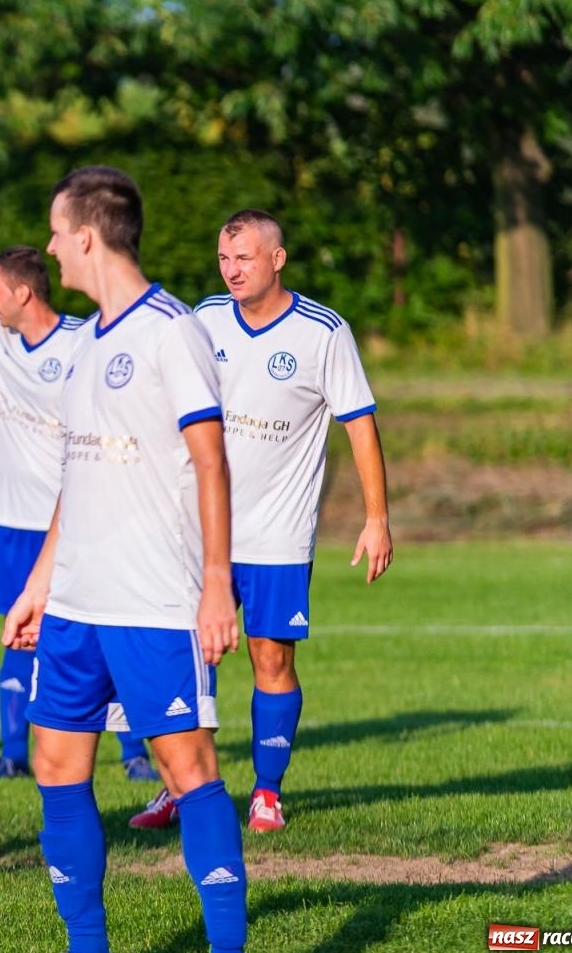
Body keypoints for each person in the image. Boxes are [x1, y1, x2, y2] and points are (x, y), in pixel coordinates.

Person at [4, 166, 248, 953]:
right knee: (54, 761)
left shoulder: (171, 331)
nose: (47, 247)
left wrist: (217, 585)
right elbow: (77, 475)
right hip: (77, 601)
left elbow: (211, 463)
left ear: (85, 235)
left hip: (153, 601)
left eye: (53, 230)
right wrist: (40, 584)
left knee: (187, 768)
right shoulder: (83, 343)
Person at [132, 209, 390, 835]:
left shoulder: (323, 332)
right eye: (224, 259)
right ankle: (183, 790)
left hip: (277, 534)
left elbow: (359, 425)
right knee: (187, 661)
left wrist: (377, 517)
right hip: (197, 532)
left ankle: (266, 792)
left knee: (269, 657)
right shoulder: (205, 320)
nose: (232, 270)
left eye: (244, 257)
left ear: (277, 259)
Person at [0, 249, 159, 784]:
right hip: (14, 520)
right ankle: (13, 754)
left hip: (83, 517)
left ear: (24, 294)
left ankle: (134, 752)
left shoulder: (84, 339)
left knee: (106, 632)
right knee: (16, 634)